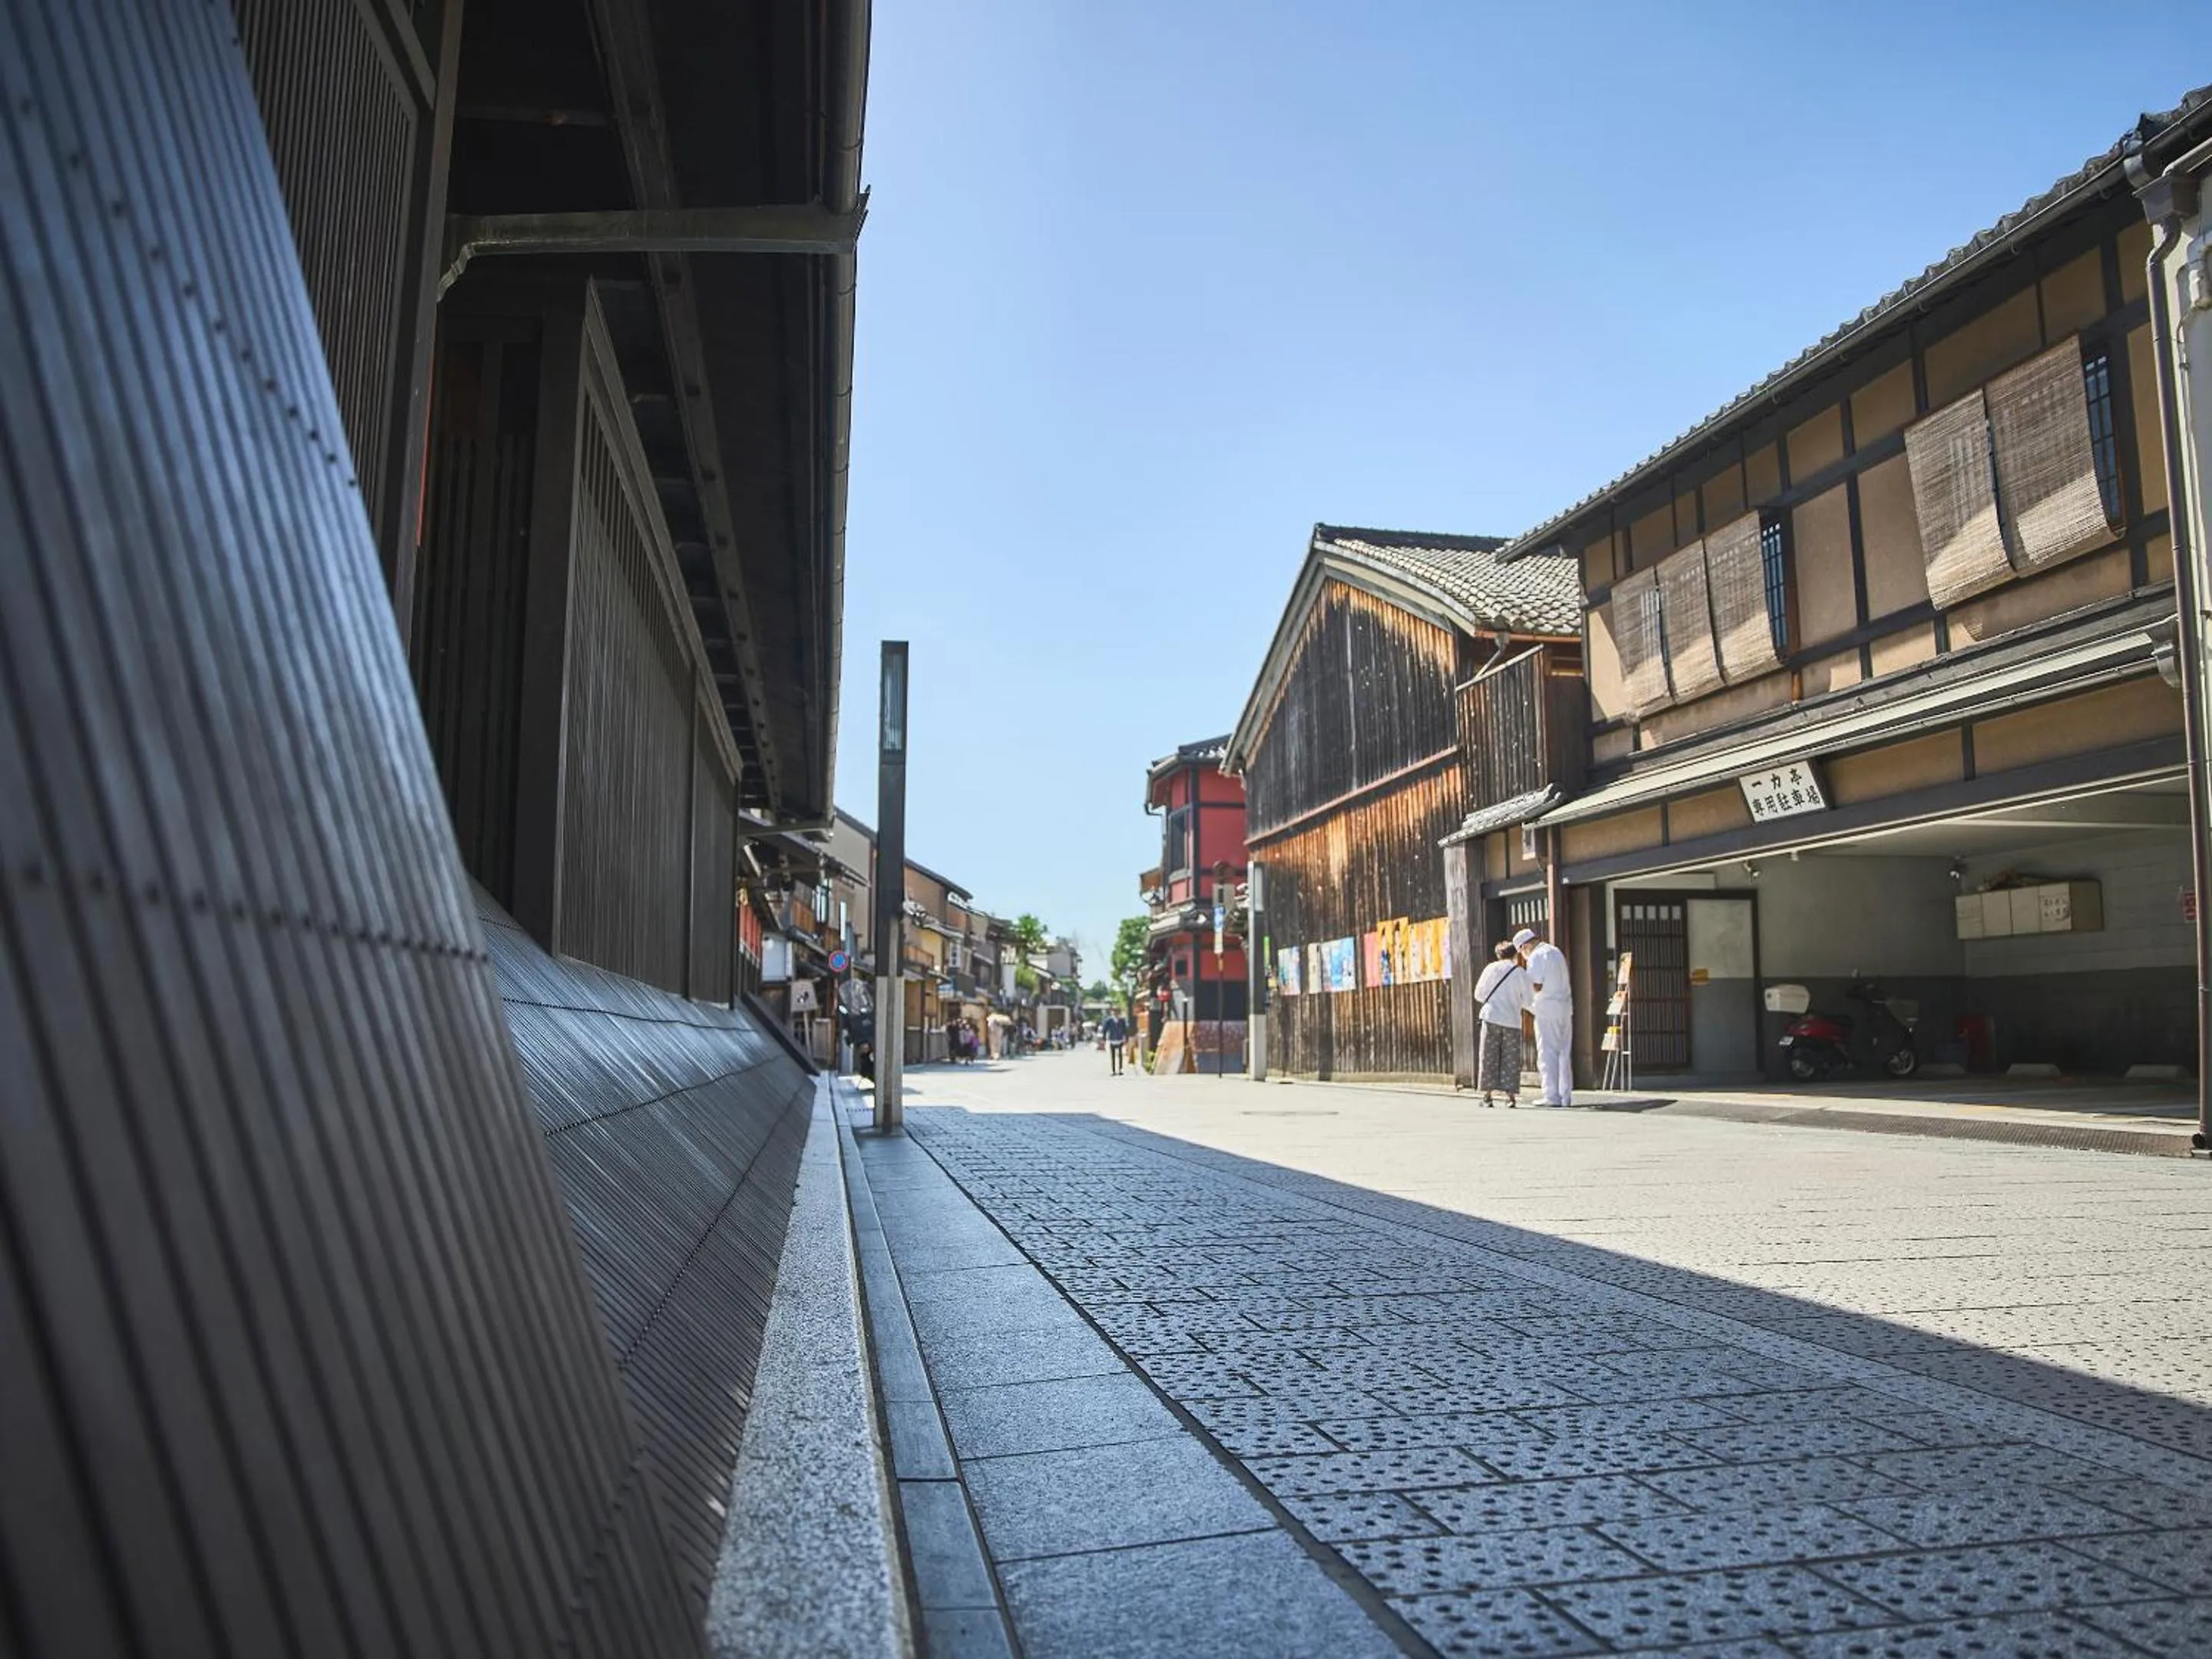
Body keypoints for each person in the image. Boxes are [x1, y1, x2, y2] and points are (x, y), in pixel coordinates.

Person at [1515, 926, 1573, 1107]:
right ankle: (1565, 1096)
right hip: (1565, 1008)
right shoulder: (1555, 951)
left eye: (1522, 951)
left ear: (1525, 947)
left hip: (1547, 1010)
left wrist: (1522, 996)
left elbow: (1536, 985)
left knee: (1547, 1052)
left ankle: (1551, 1096)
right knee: (1564, 1052)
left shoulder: (1537, 956)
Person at [1472, 940, 1531, 1107]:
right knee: (1510, 1058)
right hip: (1512, 1020)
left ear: (1498, 955)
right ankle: (1511, 1097)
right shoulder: (1520, 972)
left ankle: (1487, 1096)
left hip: (1491, 1017)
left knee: (1488, 1055)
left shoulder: (1490, 969)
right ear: (1515, 954)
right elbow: (1528, 999)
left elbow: (1479, 994)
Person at [1103, 1009, 1129, 1075]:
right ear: (1112, 1013)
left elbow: (1125, 1029)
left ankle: (1120, 1069)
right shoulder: (1109, 1020)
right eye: (1115, 1013)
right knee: (1113, 1056)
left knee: (1120, 1055)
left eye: (1117, 1013)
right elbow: (1105, 1029)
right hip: (1112, 1039)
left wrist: (1126, 1038)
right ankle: (1113, 1070)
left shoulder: (1122, 1020)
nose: (1116, 1014)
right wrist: (1104, 1038)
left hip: (1120, 1039)